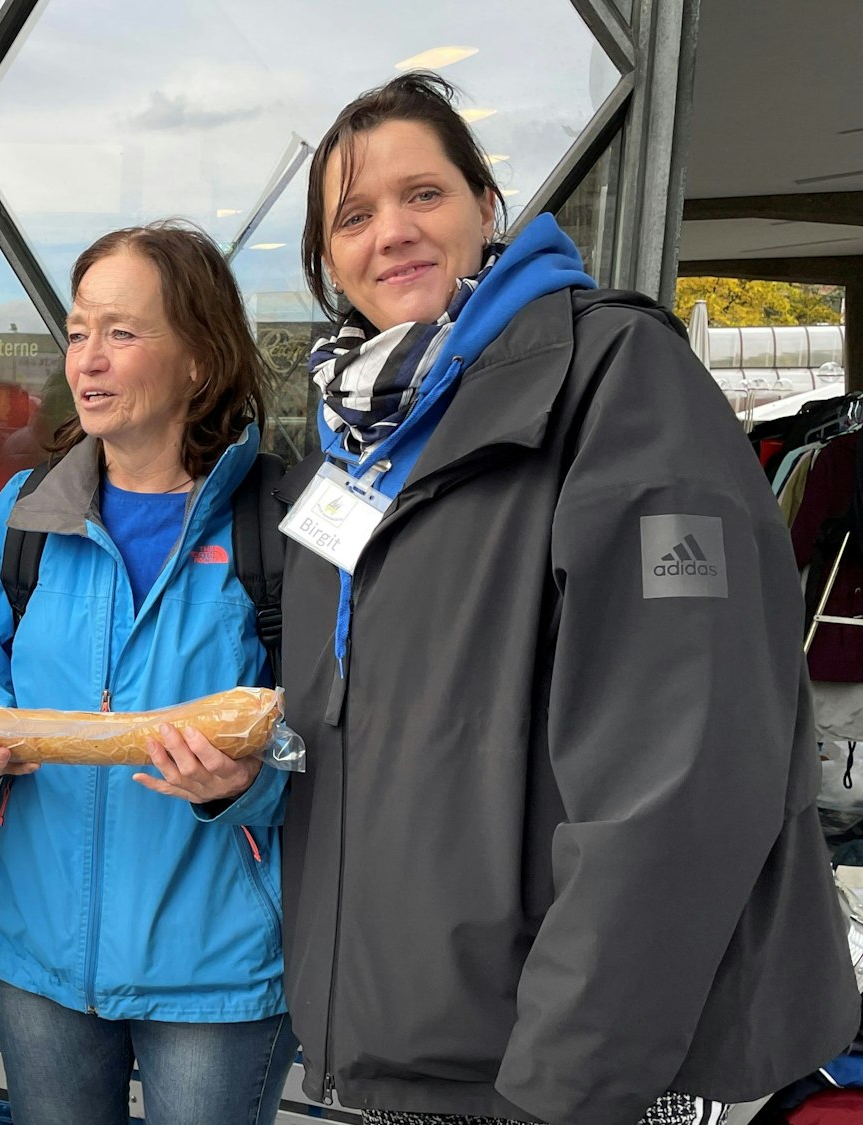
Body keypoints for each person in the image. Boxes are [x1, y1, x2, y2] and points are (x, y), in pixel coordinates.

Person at [279, 72, 854, 1125]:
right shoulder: (353, 448)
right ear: (327, 263)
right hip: (407, 1054)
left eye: (423, 194)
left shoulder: (616, 380)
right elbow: (374, 732)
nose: (391, 232)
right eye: (352, 216)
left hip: (567, 1077)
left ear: (485, 207)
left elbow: (681, 772)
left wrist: (566, 1086)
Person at [0, 222, 295, 1125]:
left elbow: (331, 739)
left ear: (201, 362)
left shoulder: (279, 525)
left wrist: (241, 788)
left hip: (214, 958)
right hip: (38, 945)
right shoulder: (21, 519)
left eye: (123, 333)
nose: (87, 360)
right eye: (78, 331)